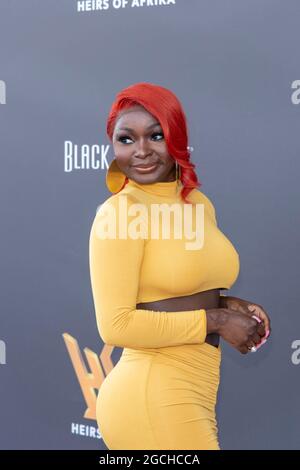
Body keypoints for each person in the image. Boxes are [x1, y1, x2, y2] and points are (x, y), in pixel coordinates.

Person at [89, 82, 271, 450]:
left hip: (196, 388)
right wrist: (216, 320)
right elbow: (116, 325)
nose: (141, 151)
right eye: (127, 139)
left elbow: (178, 286)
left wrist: (225, 304)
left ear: (177, 137)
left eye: (156, 136)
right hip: (151, 397)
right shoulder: (120, 212)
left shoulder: (197, 202)